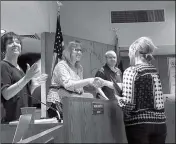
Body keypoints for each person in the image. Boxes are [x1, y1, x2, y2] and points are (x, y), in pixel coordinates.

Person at [95, 37, 167, 144]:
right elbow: (152, 97)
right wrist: (105, 83)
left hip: (139, 126)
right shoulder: (154, 71)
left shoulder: (131, 71)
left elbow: (129, 105)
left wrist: (119, 99)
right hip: (160, 125)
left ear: (135, 53)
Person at [1, 32, 48, 123]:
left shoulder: (19, 69)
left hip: (24, 119)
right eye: (10, 42)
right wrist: (26, 78)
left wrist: (33, 85)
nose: (15, 44)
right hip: (10, 121)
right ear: (4, 48)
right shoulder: (3, 66)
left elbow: (22, 94)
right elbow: (6, 95)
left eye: (18, 42)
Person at [47, 41, 96, 119]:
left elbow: (79, 87)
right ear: (68, 52)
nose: (79, 52)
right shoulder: (61, 65)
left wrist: (92, 86)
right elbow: (68, 85)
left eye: (80, 50)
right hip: (58, 103)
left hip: (74, 102)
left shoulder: (79, 67)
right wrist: (88, 81)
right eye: (76, 50)